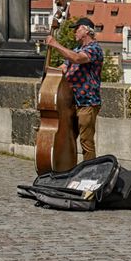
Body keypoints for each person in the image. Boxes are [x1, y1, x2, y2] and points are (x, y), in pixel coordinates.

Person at [45, 17, 103, 161]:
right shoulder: (77, 49)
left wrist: (56, 45)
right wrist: (49, 73)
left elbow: (77, 59)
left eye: (77, 29)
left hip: (87, 103)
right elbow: (64, 68)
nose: (74, 32)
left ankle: (90, 173)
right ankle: (68, 169)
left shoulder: (95, 49)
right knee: (68, 139)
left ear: (86, 30)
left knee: (86, 141)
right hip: (71, 103)